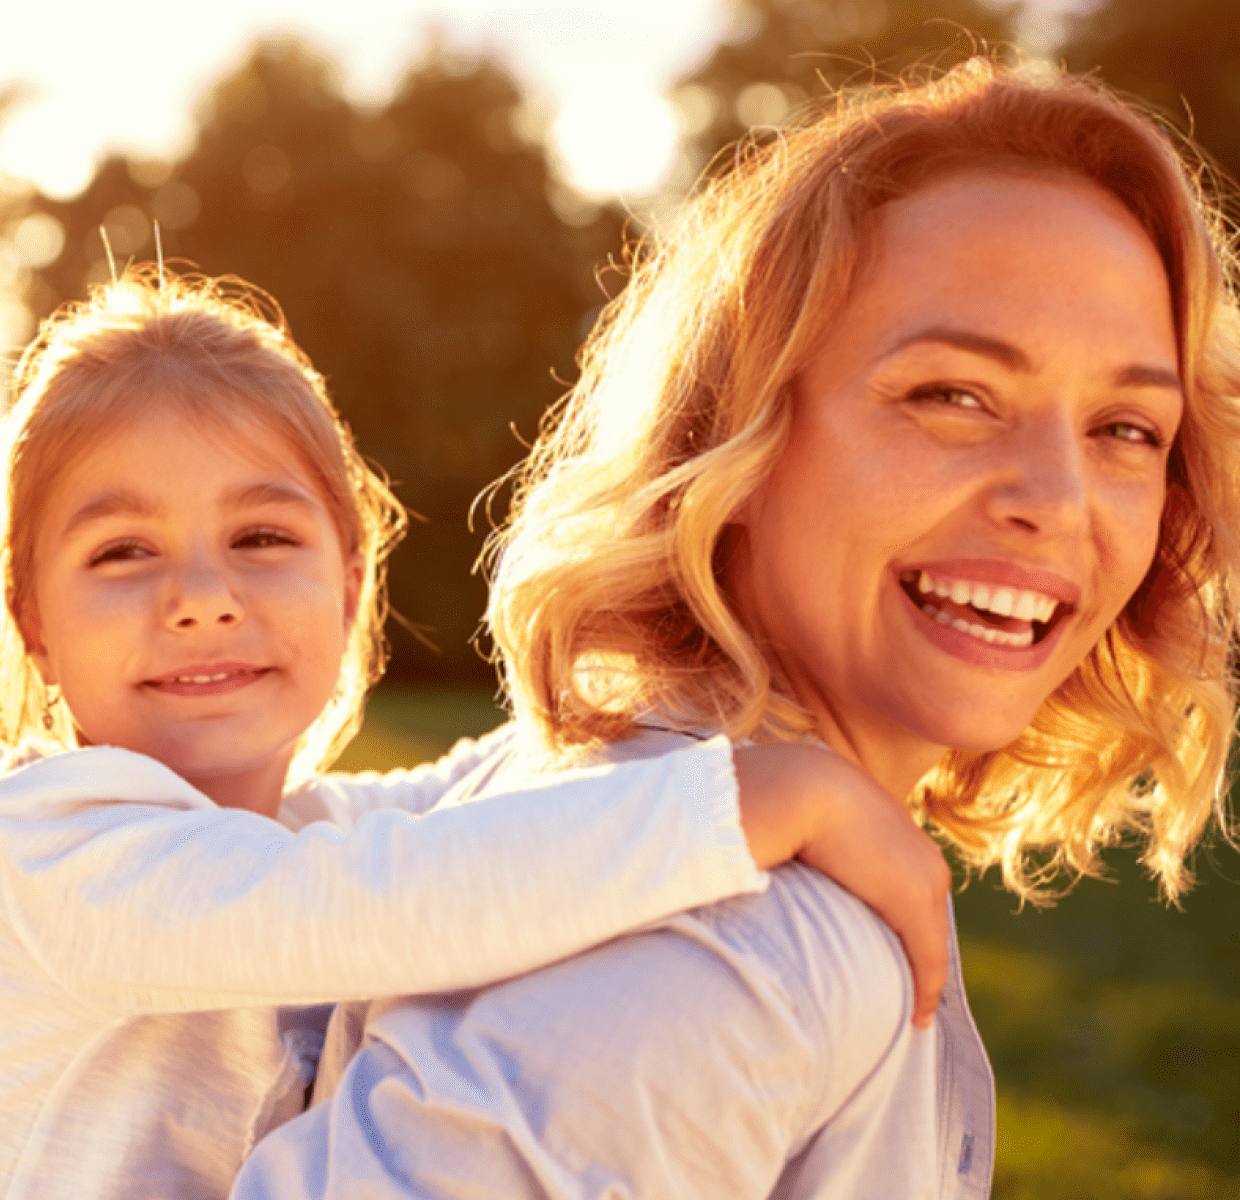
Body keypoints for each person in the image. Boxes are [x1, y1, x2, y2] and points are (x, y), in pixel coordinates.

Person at [231, 59, 1240, 1199]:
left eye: (1123, 427)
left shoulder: (580, 803)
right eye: (950, 395)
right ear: (741, 439)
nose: (1053, 499)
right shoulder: (730, 949)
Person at [0, 270, 956, 1200]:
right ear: (31, 620)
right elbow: (396, 891)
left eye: (262, 536)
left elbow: (477, 788)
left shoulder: (288, 828)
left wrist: (689, 704)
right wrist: (756, 803)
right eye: (122, 552)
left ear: (353, 580)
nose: (202, 596)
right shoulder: (53, 847)